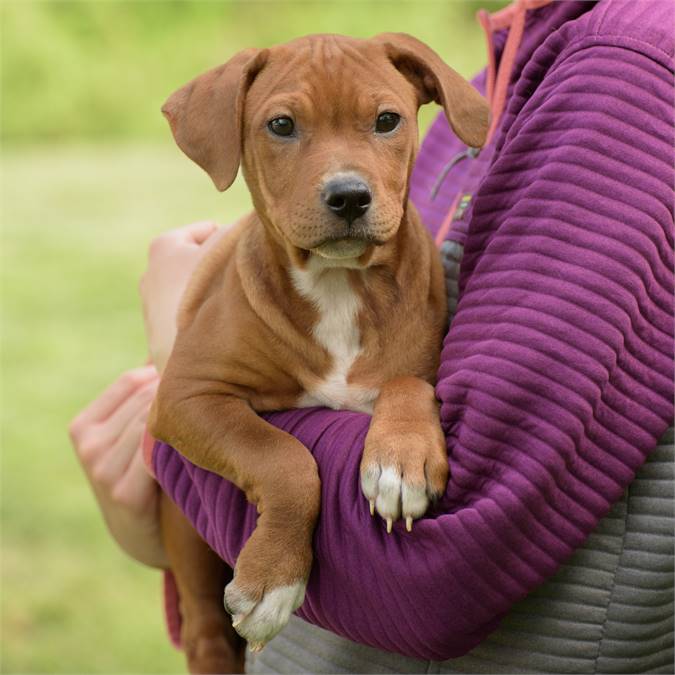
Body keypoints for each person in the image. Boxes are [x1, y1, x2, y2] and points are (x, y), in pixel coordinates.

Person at [70, 0, 674, 672]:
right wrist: (202, 510)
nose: (343, 179)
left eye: (385, 123)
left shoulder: (627, 70)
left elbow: (439, 560)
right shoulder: (510, 60)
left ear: (426, 100)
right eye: (282, 127)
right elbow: (187, 417)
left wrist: (170, 344)